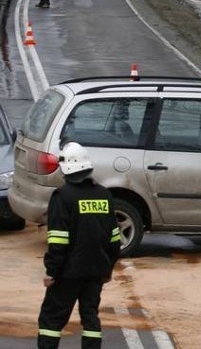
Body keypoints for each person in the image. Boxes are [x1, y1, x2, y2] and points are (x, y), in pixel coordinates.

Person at [37, 142, 121, 349]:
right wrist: (107, 268)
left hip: (68, 273)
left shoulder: (62, 196)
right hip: (96, 271)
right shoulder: (104, 195)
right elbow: (114, 238)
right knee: (90, 317)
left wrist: (51, 271)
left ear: (66, 169)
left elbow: (58, 240)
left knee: (51, 320)